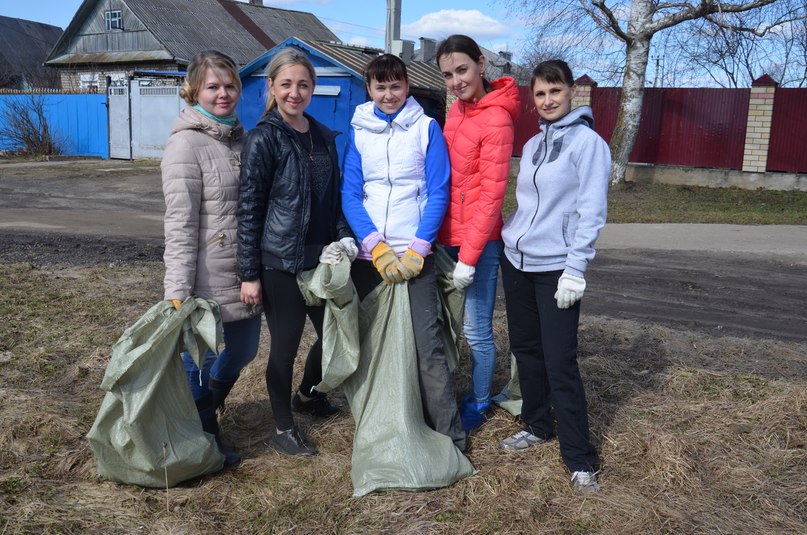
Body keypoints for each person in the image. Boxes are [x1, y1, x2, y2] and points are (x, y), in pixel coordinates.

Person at [341, 54, 466, 452]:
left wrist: (418, 248)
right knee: (375, 345)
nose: (388, 94)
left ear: (407, 86)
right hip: (371, 259)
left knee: (426, 345)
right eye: (380, 87)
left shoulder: (427, 128)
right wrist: (375, 246)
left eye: (395, 85)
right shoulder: (360, 130)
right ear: (369, 89)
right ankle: (381, 426)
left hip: (416, 256)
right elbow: (351, 194)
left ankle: (449, 435)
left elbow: (438, 191)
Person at [237, 48, 356, 457]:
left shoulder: (323, 136)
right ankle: (283, 429)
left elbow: (332, 200)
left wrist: (343, 237)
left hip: (321, 260)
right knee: (285, 346)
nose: (295, 92)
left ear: (313, 88)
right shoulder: (263, 138)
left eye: (303, 84)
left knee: (334, 336)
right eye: (286, 84)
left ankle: (307, 395)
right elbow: (249, 209)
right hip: (279, 262)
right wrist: (249, 273)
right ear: (271, 86)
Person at [499, 60, 609, 493]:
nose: (548, 100)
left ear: (571, 92)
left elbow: (591, 211)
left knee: (560, 361)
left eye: (555, 91)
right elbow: (529, 204)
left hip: (557, 269)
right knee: (526, 350)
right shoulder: (532, 144)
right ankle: (537, 425)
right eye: (541, 94)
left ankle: (579, 458)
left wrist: (575, 269)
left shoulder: (589, 144)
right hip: (517, 261)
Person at [161, 50, 262, 468]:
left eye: (230, 85)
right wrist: (177, 290)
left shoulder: (241, 137)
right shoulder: (185, 144)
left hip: (242, 272)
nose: (223, 93)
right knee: (196, 360)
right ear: (194, 91)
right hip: (202, 277)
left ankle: (210, 404)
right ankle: (204, 436)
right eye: (213, 86)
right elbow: (180, 223)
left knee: (245, 350)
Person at [435, 35, 520, 433]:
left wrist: (468, 257)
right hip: (447, 237)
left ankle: (480, 399)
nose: (456, 81)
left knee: (476, 330)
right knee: (447, 324)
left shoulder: (497, 118)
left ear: (481, 65)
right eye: (448, 75)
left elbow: (490, 196)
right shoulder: (457, 111)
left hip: (479, 245)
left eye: (462, 70)